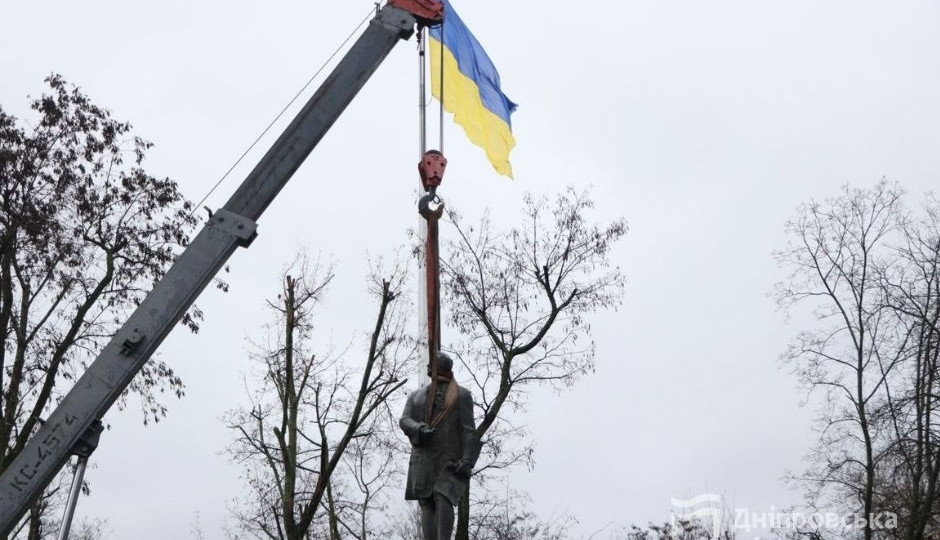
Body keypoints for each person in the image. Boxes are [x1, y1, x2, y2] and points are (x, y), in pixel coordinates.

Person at [400, 351, 480, 540]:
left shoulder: (461, 395)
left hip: (449, 459)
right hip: (423, 458)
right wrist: (418, 428)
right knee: (426, 501)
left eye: (431, 365)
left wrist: (468, 460)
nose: (428, 368)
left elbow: (469, 430)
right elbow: (404, 420)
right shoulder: (416, 396)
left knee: (443, 498)